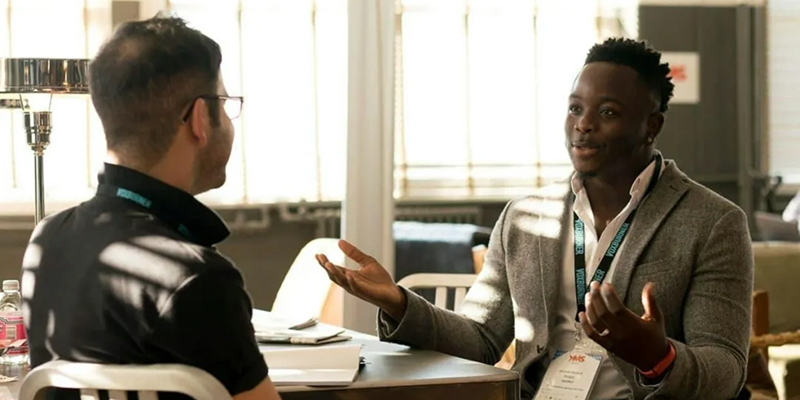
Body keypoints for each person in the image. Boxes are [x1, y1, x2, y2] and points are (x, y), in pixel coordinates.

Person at [317, 38, 753, 400]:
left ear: (651, 126)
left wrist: (657, 356)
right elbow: (481, 339)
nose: (582, 126)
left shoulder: (713, 222)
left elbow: (726, 368)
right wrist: (397, 301)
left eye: (608, 113)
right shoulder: (526, 217)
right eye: (574, 108)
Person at [20, 15, 281, 400]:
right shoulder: (198, 279)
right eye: (224, 104)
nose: (228, 120)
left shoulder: (48, 240)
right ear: (198, 119)